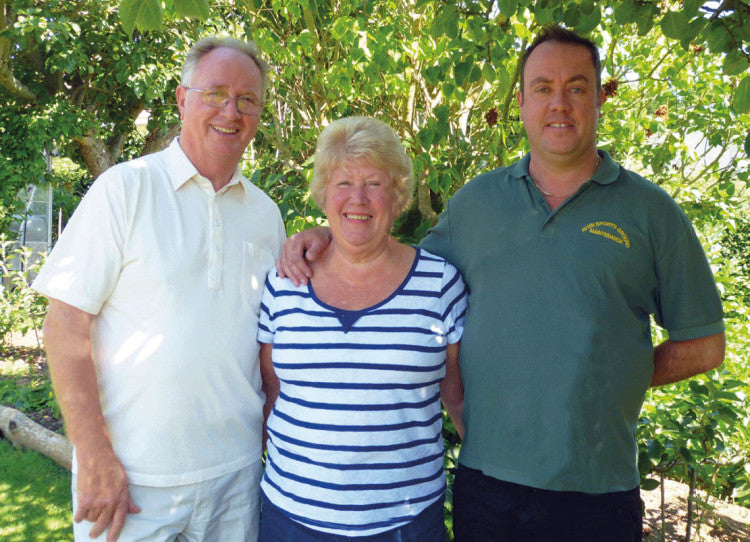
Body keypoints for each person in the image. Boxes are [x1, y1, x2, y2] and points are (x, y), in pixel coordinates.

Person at [276, 26, 725, 542]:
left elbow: (706, 345)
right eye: (542, 87)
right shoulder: (477, 203)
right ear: (521, 101)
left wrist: (605, 379)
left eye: (577, 87)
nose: (560, 103)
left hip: (597, 489)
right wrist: (326, 237)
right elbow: (394, 269)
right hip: (486, 485)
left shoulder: (650, 212)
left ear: (601, 97)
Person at [32, 36, 286, 541]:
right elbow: (64, 327)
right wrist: (95, 456)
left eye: (247, 99)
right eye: (214, 93)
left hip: (235, 477)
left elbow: (267, 342)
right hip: (131, 482)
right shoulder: (124, 190)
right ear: (181, 98)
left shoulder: (266, 215)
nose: (230, 112)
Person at [257, 116, 468, 540]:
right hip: (292, 518)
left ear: (397, 195)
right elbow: (270, 393)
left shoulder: (440, 283)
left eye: (374, 183)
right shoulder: (284, 283)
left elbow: (458, 396)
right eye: (343, 183)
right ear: (323, 194)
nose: (358, 198)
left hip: (405, 523)